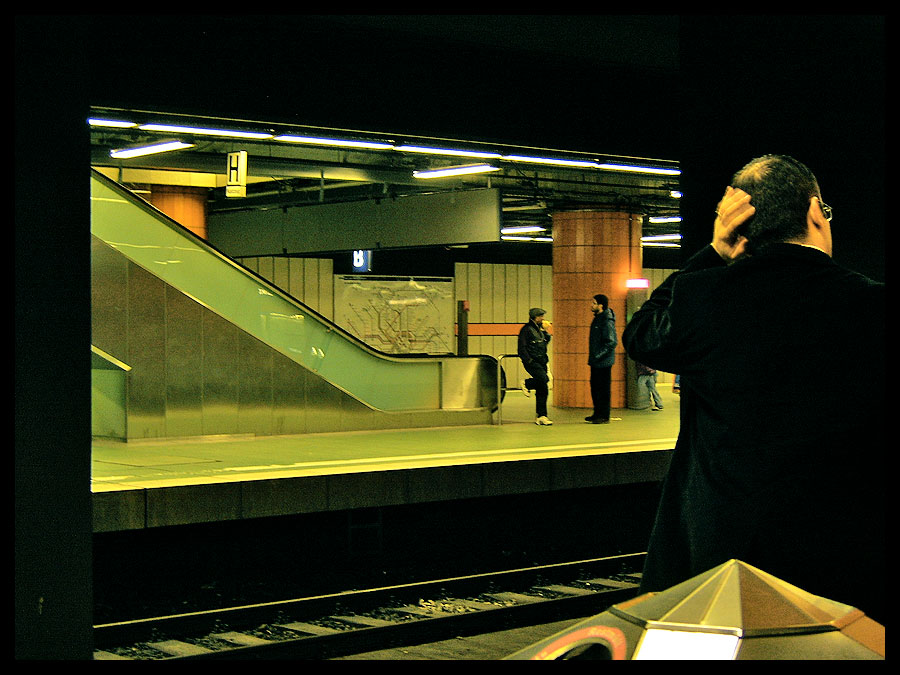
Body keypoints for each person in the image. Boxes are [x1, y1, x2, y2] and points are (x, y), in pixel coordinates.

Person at [622, 155, 885, 624]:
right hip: (843, 544)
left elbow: (641, 334)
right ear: (814, 212)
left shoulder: (705, 298)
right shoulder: (870, 304)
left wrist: (713, 253)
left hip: (725, 547)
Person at [518, 307, 553, 426]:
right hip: (533, 362)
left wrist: (546, 331)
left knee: (542, 387)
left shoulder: (539, 330)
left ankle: (541, 415)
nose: (543, 318)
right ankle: (526, 383)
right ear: (535, 317)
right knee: (544, 379)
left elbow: (545, 342)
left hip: (541, 361)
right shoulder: (526, 330)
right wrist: (529, 360)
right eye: (540, 316)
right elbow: (521, 348)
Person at [586, 294, 616, 423]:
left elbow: (611, 342)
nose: (591, 305)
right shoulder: (598, 319)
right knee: (595, 388)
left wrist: (597, 355)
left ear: (601, 305)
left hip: (603, 362)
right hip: (597, 361)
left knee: (603, 389)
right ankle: (597, 413)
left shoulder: (606, 321)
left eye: (594, 303)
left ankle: (603, 416)